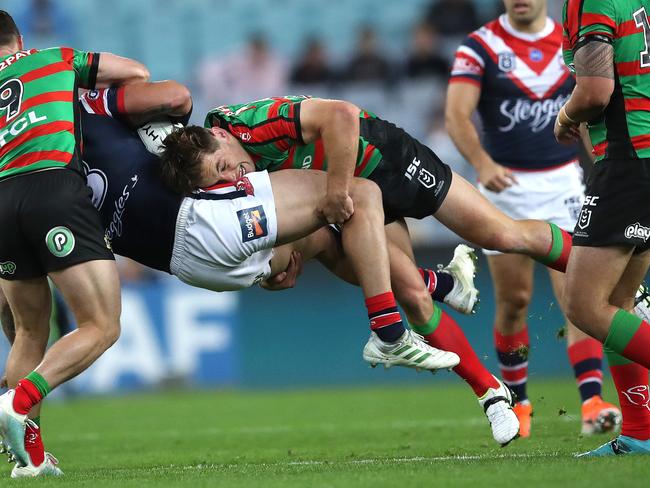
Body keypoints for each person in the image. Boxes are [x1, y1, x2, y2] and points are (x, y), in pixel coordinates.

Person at [445, 0, 621, 438]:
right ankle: (520, 402)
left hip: (564, 184)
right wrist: (482, 164)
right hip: (506, 191)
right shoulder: (481, 46)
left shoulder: (574, 37)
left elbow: (599, 99)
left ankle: (592, 401)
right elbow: (455, 115)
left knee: (579, 297)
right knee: (515, 300)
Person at [0, 10, 150, 475]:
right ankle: (16, 402)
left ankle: (30, 460)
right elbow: (137, 73)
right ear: (19, 39)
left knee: (28, 331)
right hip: (52, 190)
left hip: (2, 199)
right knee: (102, 324)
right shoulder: (53, 58)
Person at [555, 0, 650, 457]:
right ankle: (639, 432)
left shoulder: (597, 1)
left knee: (584, 305)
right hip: (643, 157)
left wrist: (567, 116)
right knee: (617, 303)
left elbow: (594, 90)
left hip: (629, 161)